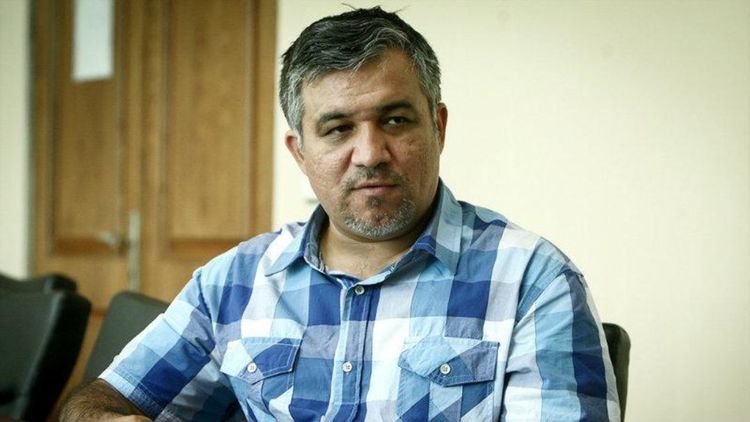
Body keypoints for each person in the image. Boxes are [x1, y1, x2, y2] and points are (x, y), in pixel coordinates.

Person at [62, 6, 620, 421]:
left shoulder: (532, 282)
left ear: (438, 127)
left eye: (396, 120)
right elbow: (100, 400)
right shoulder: (232, 283)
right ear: (300, 152)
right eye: (337, 129)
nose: (371, 153)